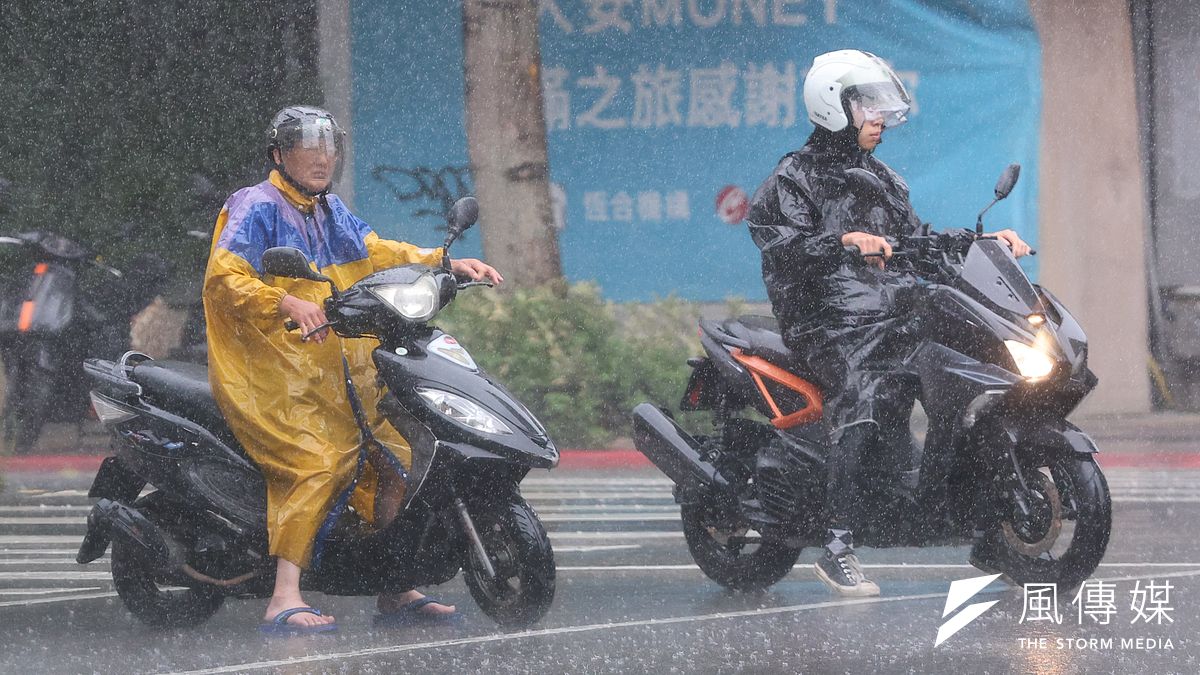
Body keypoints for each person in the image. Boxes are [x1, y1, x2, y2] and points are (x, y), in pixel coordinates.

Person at [203, 105, 503, 632]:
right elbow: (226, 280)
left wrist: (444, 261)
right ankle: (283, 596)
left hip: (336, 370)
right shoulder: (255, 206)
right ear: (278, 154)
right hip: (275, 375)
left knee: (399, 459)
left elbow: (377, 252)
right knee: (319, 462)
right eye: (306, 146)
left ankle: (395, 587)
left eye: (329, 147)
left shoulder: (328, 210)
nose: (321, 158)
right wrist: (285, 303)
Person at [745, 50, 1031, 596]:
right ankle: (836, 543)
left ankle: (982, 523)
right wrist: (842, 241)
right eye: (866, 105)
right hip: (827, 322)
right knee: (865, 389)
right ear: (833, 107)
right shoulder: (794, 176)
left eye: (880, 104)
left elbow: (919, 245)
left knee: (965, 365)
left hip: (888, 310)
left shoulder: (883, 180)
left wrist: (984, 243)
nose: (878, 116)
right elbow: (776, 241)